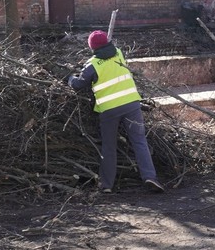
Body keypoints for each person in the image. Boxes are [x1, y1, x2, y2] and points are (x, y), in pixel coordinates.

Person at [68, 30, 164, 194]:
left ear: (92, 47)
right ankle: (150, 177)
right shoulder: (119, 53)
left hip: (109, 111)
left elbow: (78, 85)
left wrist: (70, 77)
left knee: (109, 147)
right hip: (132, 105)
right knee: (140, 142)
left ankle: (106, 185)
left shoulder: (92, 65)